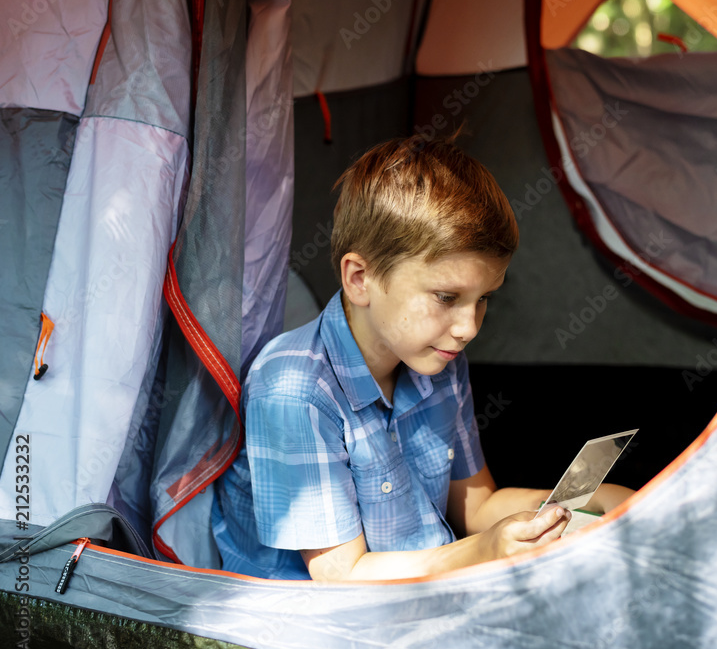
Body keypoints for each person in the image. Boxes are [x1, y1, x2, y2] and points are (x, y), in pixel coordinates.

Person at [211, 136, 634, 581]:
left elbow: (479, 506)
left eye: (484, 299)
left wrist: (588, 501)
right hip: (307, 628)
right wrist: (484, 551)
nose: (469, 327)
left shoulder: (441, 360)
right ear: (360, 279)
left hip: (424, 592)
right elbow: (342, 577)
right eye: (447, 297)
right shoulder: (295, 389)